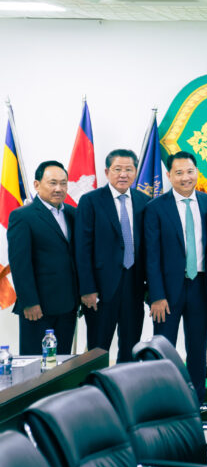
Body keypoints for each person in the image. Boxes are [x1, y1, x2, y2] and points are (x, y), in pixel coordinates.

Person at [143, 151, 207, 403]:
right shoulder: (155, 208)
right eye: (179, 173)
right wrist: (156, 296)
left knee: (197, 347)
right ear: (169, 175)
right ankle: (165, 403)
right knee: (164, 348)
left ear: (197, 173)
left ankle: (197, 403)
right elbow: (151, 256)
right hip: (167, 291)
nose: (185, 177)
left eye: (190, 171)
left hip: (200, 285)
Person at [74, 149, 150, 362]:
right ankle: (95, 384)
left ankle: (125, 383)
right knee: (98, 348)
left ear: (135, 172)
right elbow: (82, 248)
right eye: (117, 169)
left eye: (129, 169)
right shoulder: (90, 201)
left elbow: (149, 247)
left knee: (131, 345)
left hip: (134, 285)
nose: (123, 174)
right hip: (100, 289)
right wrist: (87, 289)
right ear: (107, 172)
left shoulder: (144, 201)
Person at [9, 161, 78, 354]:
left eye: (63, 183)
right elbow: (20, 264)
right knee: (36, 363)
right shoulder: (23, 216)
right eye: (53, 183)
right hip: (38, 308)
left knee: (62, 361)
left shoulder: (73, 213)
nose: (59, 188)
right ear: (37, 185)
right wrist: (29, 302)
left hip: (68, 304)